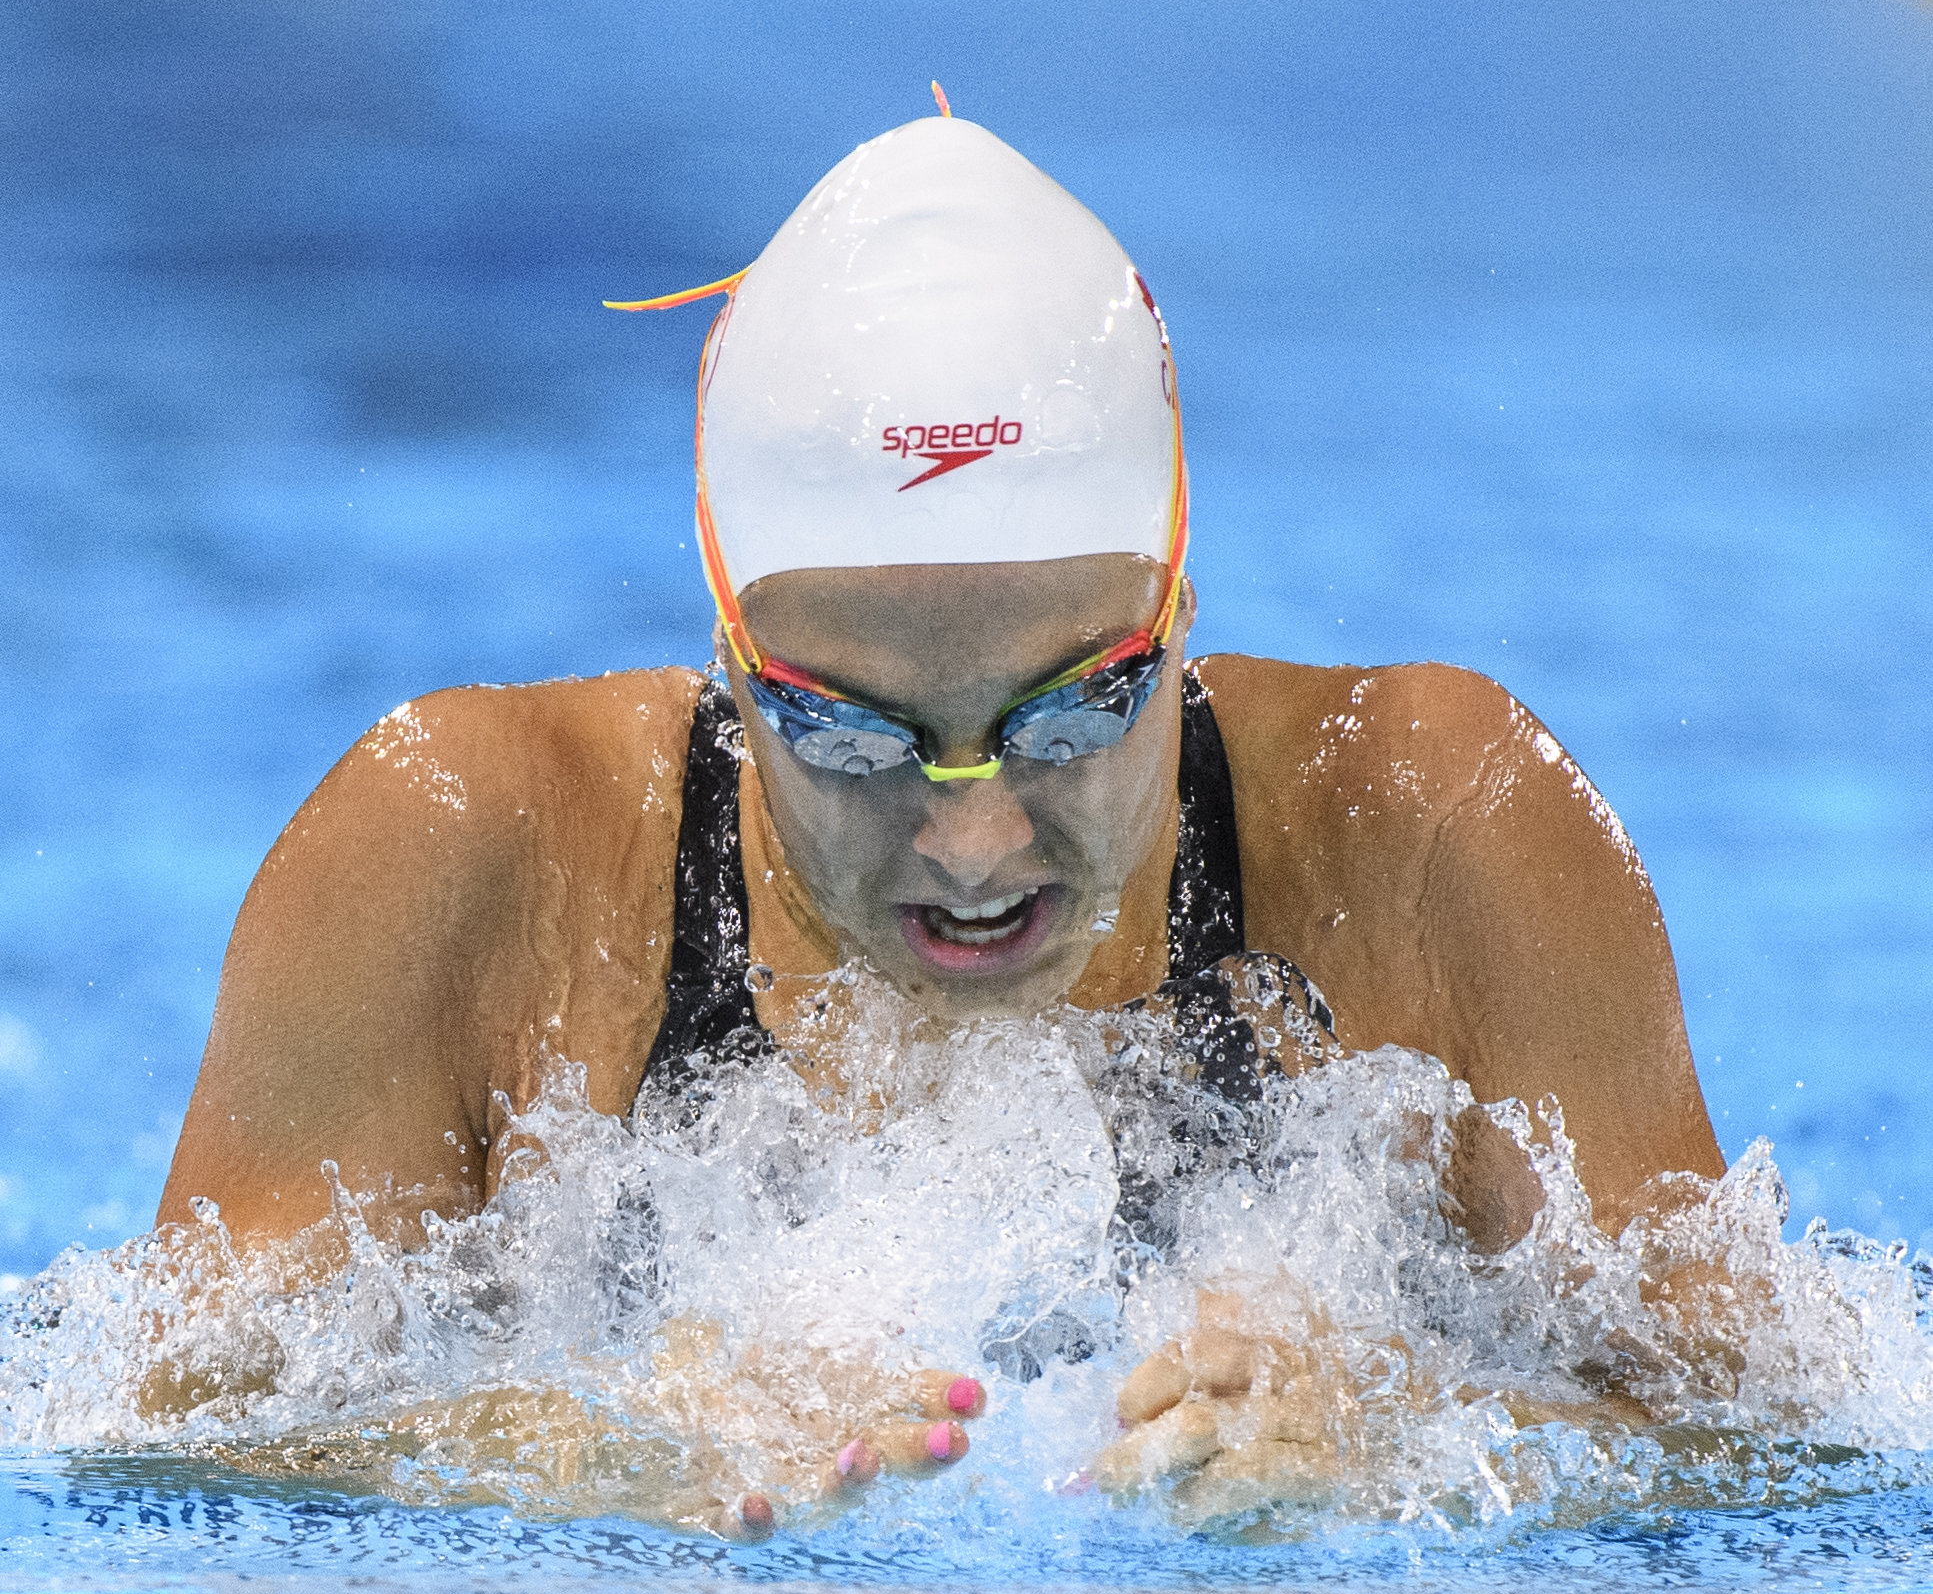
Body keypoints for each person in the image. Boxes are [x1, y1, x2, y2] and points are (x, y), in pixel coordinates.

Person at [155, 112, 1723, 1521]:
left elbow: (1782, 1439)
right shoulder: (469, 848)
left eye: (1075, 711)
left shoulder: (1440, 828)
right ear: (731, 652)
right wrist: (566, 1444)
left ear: (1178, 604)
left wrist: (1421, 1435)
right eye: (847, 732)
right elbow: (140, 1445)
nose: (973, 844)